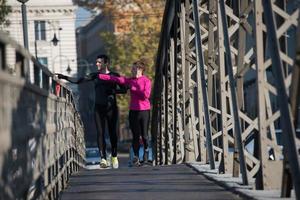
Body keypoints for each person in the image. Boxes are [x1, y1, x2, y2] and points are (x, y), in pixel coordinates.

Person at [55, 54, 127, 169]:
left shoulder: (114, 75)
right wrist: (64, 77)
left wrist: (113, 91)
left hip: (111, 108)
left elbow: (124, 89)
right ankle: (103, 158)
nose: (97, 64)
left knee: (113, 133)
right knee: (100, 132)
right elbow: (79, 81)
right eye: (96, 62)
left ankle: (114, 156)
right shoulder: (95, 75)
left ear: (106, 63)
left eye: (99, 62)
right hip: (98, 107)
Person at [98, 60, 151, 166]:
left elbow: (146, 95)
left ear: (140, 69)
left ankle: (146, 153)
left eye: (134, 68)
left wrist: (133, 88)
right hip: (133, 111)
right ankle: (136, 157)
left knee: (144, 136)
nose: (132, 70)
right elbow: (116, 79)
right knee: (135, 136)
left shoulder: (146, 81)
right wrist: (100, 76)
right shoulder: (129, 80)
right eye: (132, 68)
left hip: (144, 111)